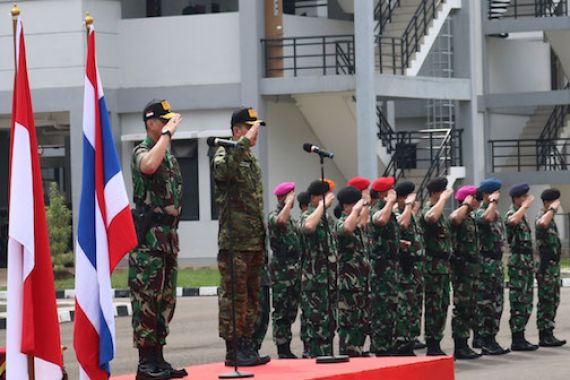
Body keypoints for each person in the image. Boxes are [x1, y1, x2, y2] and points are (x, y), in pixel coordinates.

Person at [130, 100, 187, 379]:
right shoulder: (141, 151)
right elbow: (149, 166)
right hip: (148, 240)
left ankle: (159, 358)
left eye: (169, 121)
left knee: (165, 301)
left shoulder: (170, 156)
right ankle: (145, 364)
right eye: (162, 121)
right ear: (150, 122)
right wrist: (166, 136)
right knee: (147, 301)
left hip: (168, 238)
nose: (167, 124)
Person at [212, 107, 270, 366]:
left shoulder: (250, 159)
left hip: (254, 240)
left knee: (251, 297)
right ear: (237, 130)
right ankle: (233, 348)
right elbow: (223, 172)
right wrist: (243, 143)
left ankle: (247, 345)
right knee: (234, 297)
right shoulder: (226, 152)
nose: (254, 134)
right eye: (249, 128)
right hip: (235, 241)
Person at [299, 180, 337, 357]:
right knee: (316, 325)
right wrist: (322, 206)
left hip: (329, 281)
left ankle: (325, 357)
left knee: (329, 324)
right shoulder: (307, 215)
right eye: (322, 196)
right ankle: (314, 357)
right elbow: (308, 227)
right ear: (314, 198)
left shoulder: (327, 218)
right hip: (314, 282)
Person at [473, 178, 510, 355]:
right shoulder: (480, 212)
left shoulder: (496, 214)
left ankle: (490, 338)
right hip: (485, 264)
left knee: (497, 302)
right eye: (495, 193)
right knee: (486, 303)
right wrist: (493, 202)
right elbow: (486, 218)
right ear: (487, 194)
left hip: (495, 263)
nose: (498, 196)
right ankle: (485, 339)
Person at [267, 182, 302, 358]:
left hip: (294, 271)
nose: (293, 198)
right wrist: (287, 203)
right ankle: (282, 348)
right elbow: (280, 221)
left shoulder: (292, 220)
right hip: (281, 271)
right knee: (281, 310)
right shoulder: (275, 215)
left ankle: (287, 346)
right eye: (290, 195)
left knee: (291, 310)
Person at [419, 177, 453, 356]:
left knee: (442, 305)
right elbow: (430, 217)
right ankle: (432, 343)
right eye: (442, 191)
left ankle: (436, 340)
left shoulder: (440, 212)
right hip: (432, 267)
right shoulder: (429, 210)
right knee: (433, 306)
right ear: (434, 193)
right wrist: (443, 200)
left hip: (443, 267)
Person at [335, 186, 371, 357]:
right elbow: (346, 229)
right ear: (346, 206)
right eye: (355, 204)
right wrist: (357, 209)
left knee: (361, 322)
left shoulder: (358, 226)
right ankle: (347, 354)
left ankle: (357, 351)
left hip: (361, 283)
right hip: (348, 285)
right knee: (348, 323)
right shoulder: (342, 222)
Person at [449, 185, 482, 360]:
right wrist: (466, 205)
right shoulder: (460, 215)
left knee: (470, 307)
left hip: (472, 268)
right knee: (461, 307)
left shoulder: (471, 218)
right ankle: (459, 346)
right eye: (476, 198)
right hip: (462, 269)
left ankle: (465, 342)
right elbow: (454, 218)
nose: (478, 201)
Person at [368, 176, 400, 356]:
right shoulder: (377, 209)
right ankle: (381, 348)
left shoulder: (388, 211)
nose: (393, 192)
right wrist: (389, 203)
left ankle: (388, 345)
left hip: (391, 266)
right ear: (382, 194)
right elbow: (379, 221)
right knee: (381, 309)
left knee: (391, 308)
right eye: (390, 189)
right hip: (381, 268)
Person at [505, 183, 538, 351]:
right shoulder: (513, 213)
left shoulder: (522, 215)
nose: (526, 199)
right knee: (518, 301)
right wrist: (524, 207)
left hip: (526, 262)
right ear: (516, 199)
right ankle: (516, 339)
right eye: (523, 197)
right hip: (518, 263)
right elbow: (511, 222)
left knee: (527, 301)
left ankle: (521, 336)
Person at [393, 181, 425, 356]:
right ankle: (401, 344)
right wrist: (408, 207)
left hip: (415, 269)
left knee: (414, 308)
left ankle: (410, 341)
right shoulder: (399, 212)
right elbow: (402, 225)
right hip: (403, 269)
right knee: (404, 308)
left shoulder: (411, 214)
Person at [535, 188, 567, 347]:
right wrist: (552, 209)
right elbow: (541, 224)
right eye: (555, 202)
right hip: (545, 266)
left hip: (553, 266)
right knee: (546, 300)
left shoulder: (551, 218)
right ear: (548, 202)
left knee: (553, 300)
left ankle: (549, 332)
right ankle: (544, 334)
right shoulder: (543, 216)